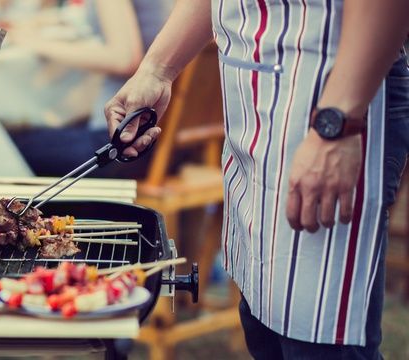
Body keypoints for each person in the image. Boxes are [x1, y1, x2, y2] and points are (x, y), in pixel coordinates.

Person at [105, 0, 409, 358]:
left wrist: (338, 125)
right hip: (253, 105)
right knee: (263, 326)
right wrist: (156, 70)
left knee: (315, 337)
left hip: (331, 100)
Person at [7, 0, 173, 178]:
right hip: (161, 147)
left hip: (117, 146)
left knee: (4, 142)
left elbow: (124, 58)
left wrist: (34, 43)